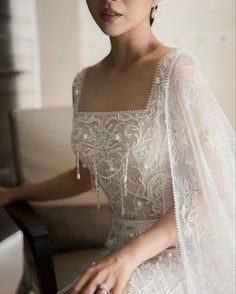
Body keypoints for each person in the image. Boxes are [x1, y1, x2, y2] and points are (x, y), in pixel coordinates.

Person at [1, 0, 235, 293]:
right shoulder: (83, 82)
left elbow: (212, 189)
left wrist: (128, 256)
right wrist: (14, 193)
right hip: (123, 250)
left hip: (185, 250)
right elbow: (93, 171)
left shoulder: (177, 71)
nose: (109, 0)